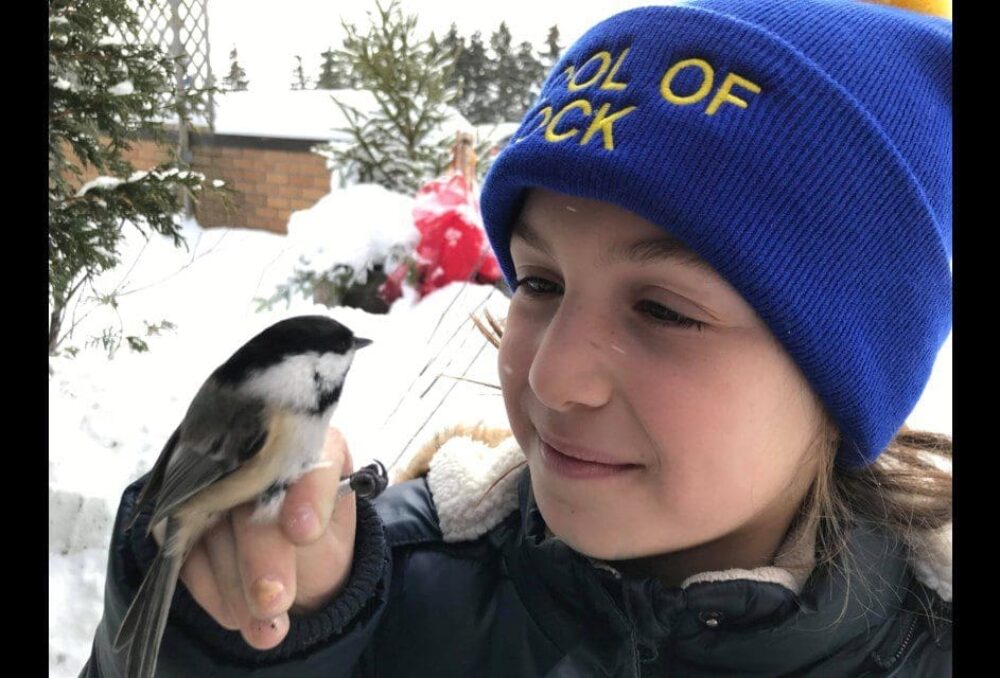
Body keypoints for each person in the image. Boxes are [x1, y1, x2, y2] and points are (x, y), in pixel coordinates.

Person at [81, 0, 953, 675]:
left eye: (663, 309)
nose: (554, 375)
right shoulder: (373, 595)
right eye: (538, 283)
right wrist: (223, 637)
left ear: (847, 376)